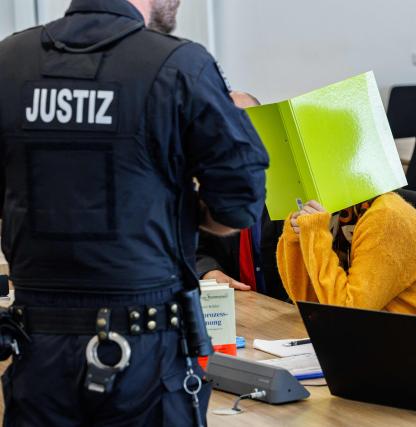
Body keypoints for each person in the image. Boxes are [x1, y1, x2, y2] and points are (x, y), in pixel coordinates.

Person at [0, 0, 268, 425]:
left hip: (38, 355)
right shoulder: (179, 65)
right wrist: (170, 205)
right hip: (144, 358)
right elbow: (238, 205)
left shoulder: (9, 62)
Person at [276, 194, 416, 349]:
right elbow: (311, 306)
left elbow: (347, 316)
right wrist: (296, 238)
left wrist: (315, 234)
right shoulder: (337, 214)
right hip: (378, 343)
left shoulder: (387, 215)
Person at [196, 91, 288, 300]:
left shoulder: (292, 179)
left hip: (290, 312)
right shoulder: (206, 185)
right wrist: (210, 271)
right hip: (239, 310)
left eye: (247, 123)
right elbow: (194, 248)